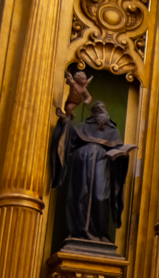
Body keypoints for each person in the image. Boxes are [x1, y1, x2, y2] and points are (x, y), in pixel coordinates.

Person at [49, 99, 135, 245]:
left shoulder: (113, 132)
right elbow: (70, 138)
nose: (101, 112)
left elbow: (118, 151)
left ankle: (100, 232)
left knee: (100, 196)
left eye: (103, 109)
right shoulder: (83, 127)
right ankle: (76, 232)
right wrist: (64, 121)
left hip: (103, 165)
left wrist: (122, 156)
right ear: (93, 113)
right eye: (98, 110)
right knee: (80, 195)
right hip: (82, 164)